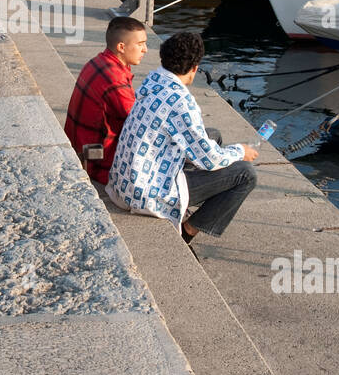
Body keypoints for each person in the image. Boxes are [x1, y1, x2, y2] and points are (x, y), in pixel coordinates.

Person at [107, 30, 258, 246]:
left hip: (123, 181)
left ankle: (188, 209)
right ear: (195, 68)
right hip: (144, 193)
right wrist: (241, 151)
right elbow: (210, 159)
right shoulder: (181, 102)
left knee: (212, 135)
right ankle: (188, 231)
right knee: (246, 174)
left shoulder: (155, 78)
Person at [64, 17, 148, 183]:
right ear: (121, 47)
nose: (145, 49)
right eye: (140, 44)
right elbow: (140, 125)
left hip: (83, 151)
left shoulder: (98, 61)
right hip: (100, 163)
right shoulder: (115, 79)